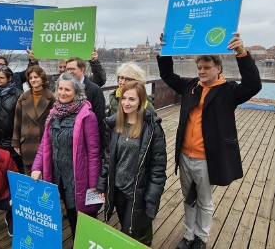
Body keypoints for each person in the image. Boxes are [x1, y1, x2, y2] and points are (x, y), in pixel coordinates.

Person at [157, 33, 262, 249]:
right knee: (189, 199)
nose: (202, 71)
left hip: (207, 158)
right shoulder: (190, 86)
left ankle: (201, 239)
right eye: (199, 68)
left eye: (206, 67)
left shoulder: (229, 91)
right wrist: (165, 50)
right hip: (185, 155)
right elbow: (167, 74)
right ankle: (188, 236)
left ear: (218, 68)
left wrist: (242, 53)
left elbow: (253, 85)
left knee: (204, 202)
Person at [30, 72, 102, 238]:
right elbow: (44, 146)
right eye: (60, 89)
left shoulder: (86, 116)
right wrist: (36, 167)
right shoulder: (54, 113)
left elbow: (93, 153)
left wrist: (93, 186)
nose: (62, 93)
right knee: (67, 213)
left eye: (67, 90)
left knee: (83, 218)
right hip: (57, 176)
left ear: (77, 93)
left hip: (79, 179)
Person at [97, 81, 167, 246]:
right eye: (124, 98)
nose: (126, 103)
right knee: (125, 230)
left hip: (137, 193)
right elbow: (108, 159)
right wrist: (102, 184)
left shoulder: (152, 128)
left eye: (132, 99)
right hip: (118, 190)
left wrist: (151, 199)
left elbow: (158, 168)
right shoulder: (114, 125)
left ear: (141, 102)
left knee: (133, 234)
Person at [11, 65, 55, 175]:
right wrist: (16, 142)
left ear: (42, 79)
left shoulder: (51, 97)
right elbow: (17, 120)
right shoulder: (23, 97)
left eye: (36, 77)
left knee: (46, 176)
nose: (33, 80)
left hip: (44, 143)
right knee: (29, 177)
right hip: (27, 143)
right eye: (30, 78)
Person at [0, 66, 24, 173]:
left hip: (12, 143)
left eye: (1, 78)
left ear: (10, 78)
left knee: (14, 172)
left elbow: (22, 119)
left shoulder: (19, 95)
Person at [65, 56, 107, 151]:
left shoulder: (94, 90)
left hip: (87, 142)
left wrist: (97, 147)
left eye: (72, 69)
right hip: (68, 142)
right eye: (67, 69)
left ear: (82, 70)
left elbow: (100, 121)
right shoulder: (63, 89)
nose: (69, 72)